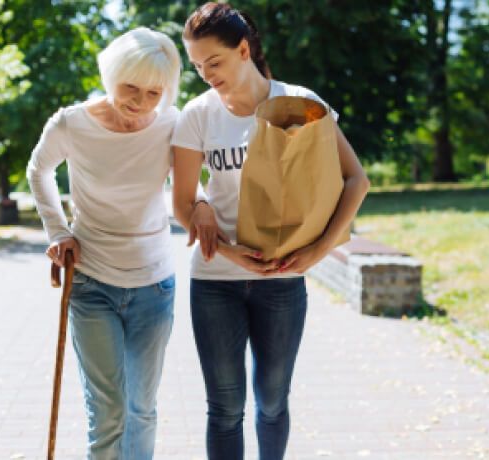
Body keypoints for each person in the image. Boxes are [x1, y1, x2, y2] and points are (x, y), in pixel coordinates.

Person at [171, 4, 370, 459]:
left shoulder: (299, 104)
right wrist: (228, 249)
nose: (205, 74)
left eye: (213, 62)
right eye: (198, 66)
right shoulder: (197, 115)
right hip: (214, 282)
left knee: (273, 402)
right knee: (223, 408)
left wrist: (318, 252)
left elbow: (357, 181)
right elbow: (181, 201)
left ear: (244, 50)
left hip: (282, 281)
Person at [27, 27, 181, 460]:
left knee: (142, 409)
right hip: (93, 284)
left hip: (155, 285)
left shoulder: (172, 121)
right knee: (109, 410)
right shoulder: (71, 124)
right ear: (109, 73)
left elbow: (189, 183)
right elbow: (39, 170)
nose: (141, 102)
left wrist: (202, 205)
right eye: (130, 87)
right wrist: (58, 231)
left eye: (155, 92)